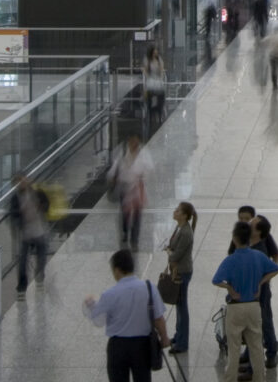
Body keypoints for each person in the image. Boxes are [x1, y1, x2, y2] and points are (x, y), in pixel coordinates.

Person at [83, 249, 170, 382]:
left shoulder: (110, 294)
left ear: (117, 270)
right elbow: (158, 318)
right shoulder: (148, 287)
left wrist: (90, 305)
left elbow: (99, 321)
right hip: (142, 346)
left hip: (118, 347)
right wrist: (164, 338)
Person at [212, 222, 278, 382]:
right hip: (254, 306)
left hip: (236, 308)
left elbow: (216, 280)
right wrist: (260, 282)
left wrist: (229, 288)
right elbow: (276, 269)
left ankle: (230, 378)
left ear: (235, 239)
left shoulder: (230, 260)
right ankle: (259, 378)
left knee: (234, 348)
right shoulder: (258, 256)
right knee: (256, 346)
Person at [9, 173, 50, 296]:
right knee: (22, 261)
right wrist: (19, 218)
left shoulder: (37, 193)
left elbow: (47, 205)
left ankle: (40, 277)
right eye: (18, 182)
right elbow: (13, 215)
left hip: (39, 230)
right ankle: (22, 286)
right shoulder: (15, 198)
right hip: (26, 233)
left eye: (23, 180)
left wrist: (41, 207)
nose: (21, 184)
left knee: (41, 258)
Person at [163, 202, 196, 352]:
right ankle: (179, 335)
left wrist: (169, 252)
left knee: (182, 306)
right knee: (179, 305)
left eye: (177, 210)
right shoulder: (179, 228)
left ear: (184, 215)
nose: (174, 212)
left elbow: (176, 255)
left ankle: (183, 342)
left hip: (183, 271)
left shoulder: (186, 233)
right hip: (178, 270)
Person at [250, 215, 278, 367]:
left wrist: (264, 280)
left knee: (264, 320)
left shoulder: (260, 249)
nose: (249, 223)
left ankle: (271, 351)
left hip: (260, 291)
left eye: (253, 223)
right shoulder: (247, 241)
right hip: (250, 290)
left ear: (259, 231)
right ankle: (250, 355)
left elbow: (275, 266)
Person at [111, 136, 152, 250]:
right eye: (132, 140)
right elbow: (115, 168)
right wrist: (114, 177)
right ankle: (125, 231)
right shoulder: (122, 151)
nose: (134, 142)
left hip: (138, 188)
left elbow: (149, 168)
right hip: (124, 187)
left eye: (136, 140)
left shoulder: (144, 153)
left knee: (138, 214)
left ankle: (135, 240)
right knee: (125, 213)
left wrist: (143, 177)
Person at [143, 47, 166, 124]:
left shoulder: (159, 60)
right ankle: (149, 111)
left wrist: (159, 67)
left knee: (161, 93)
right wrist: (148, 77)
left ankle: (160, 110)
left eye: (156, 53)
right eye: (154, 53)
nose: (155, 54)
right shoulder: (147, 60)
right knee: (149, 92)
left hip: (158, 79)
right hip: (151, 79)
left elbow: (161, 71)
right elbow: (145, 71)